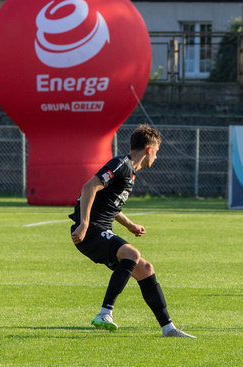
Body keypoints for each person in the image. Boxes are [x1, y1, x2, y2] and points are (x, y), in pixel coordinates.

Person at [69, 124, 195, 338]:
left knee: (145, 268)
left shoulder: (131, 173)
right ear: (148, 149)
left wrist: (130, 225)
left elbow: (108, 205)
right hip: (90, 232)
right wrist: (84, 224)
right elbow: (89, 187)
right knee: (132, 254)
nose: (156, 157)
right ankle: (105, 312)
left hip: (99, 230)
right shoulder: (121, 165)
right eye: (156, 152)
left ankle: (169, 329)